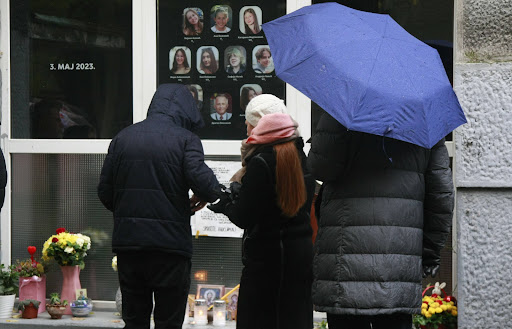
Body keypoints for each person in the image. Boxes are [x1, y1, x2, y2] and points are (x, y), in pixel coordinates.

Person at [307, 112, 454, 329]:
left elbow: (319, 168)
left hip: (344, 264)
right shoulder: (424, 120)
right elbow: (441, 198)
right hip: (398, 267)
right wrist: (429, 254)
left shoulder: (343, 110)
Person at [97, 84, 221, 329]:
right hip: (170, 249)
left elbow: (104, 192)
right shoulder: (186, 140)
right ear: (186, 110)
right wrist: (199, 196)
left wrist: (129, 211)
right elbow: (208, 186)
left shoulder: (123, 138)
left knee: (134, 321)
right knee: (168, 322)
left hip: (130, 247)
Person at [208, 94, 315, 329]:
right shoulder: (299, 155)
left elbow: (244, 216)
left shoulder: (261, 162)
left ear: (259, 124)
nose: (245, 128)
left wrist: (226, 202)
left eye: (248, 122)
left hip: (266, 263)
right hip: (299, 260)